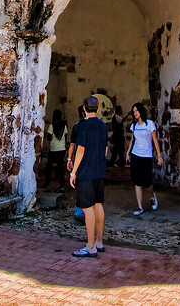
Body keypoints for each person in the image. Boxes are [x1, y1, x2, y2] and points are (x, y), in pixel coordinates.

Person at [69, 96, 108, 257]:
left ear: (84, 109)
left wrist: (73, 171)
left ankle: (90, 246)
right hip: (99, 170)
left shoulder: (84, 126)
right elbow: (105, 150)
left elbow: (80, 150)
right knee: (98, 204)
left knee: (87, 207)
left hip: (86, 172)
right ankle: (99, 241)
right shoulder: (102, 126)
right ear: (98, 109)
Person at [125, 102, 164, 215]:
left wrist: (159, 155)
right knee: (137, 181)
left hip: (146, 156)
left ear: (141, 111)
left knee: (147, 182)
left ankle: (152, 196)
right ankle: (140, 206)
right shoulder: (134, 125)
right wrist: (128, 153)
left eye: (136, 110)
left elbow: (155, 140)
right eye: (133, 111)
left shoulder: (149, 124)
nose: (135, 113)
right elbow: (133, 140)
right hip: (136, 155)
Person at [42, 109, 68, 190]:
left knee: (49, 166)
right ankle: (62, 185)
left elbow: (49, 138)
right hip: (62, 149)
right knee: (60, 167)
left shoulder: (51, 126)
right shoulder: (64, 125)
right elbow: (66, 136)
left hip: (53, 149)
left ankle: (47, 183)